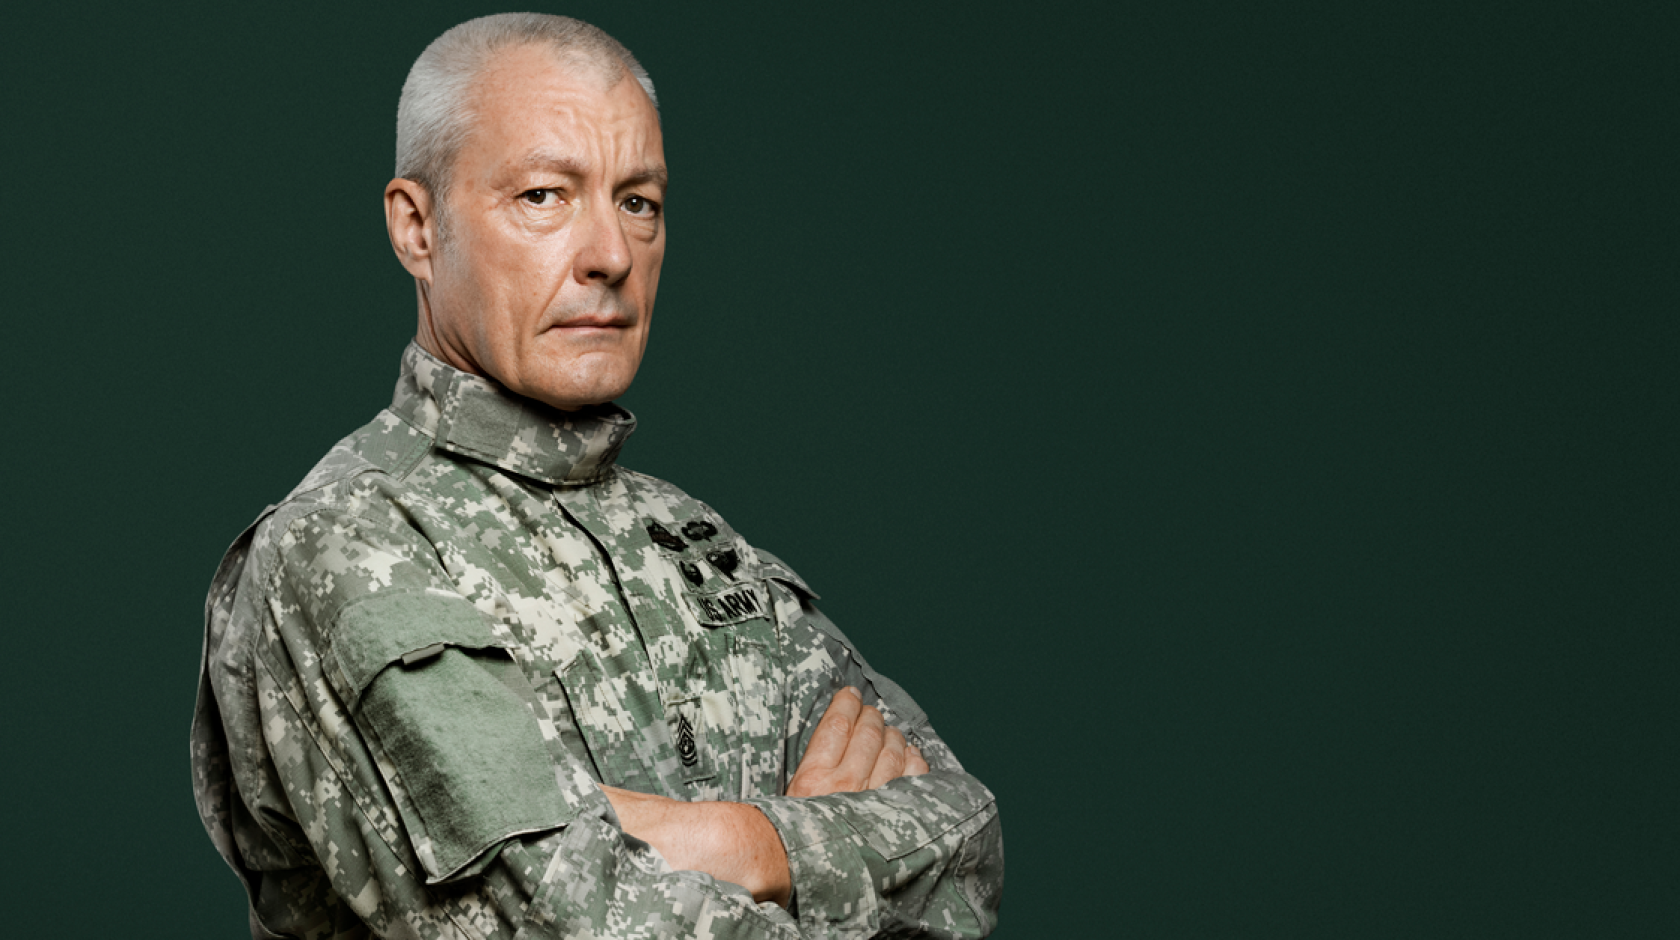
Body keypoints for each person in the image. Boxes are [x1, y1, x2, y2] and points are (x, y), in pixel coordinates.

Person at [190, 13, 1004, 940]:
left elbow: (971, 842)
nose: (611, 256)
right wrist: (831, 851)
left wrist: (747, 843)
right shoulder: (346, 550)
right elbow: (579, 925)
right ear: (417, 228)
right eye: (544, 195)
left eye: (639, 201)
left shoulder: (698, 542)